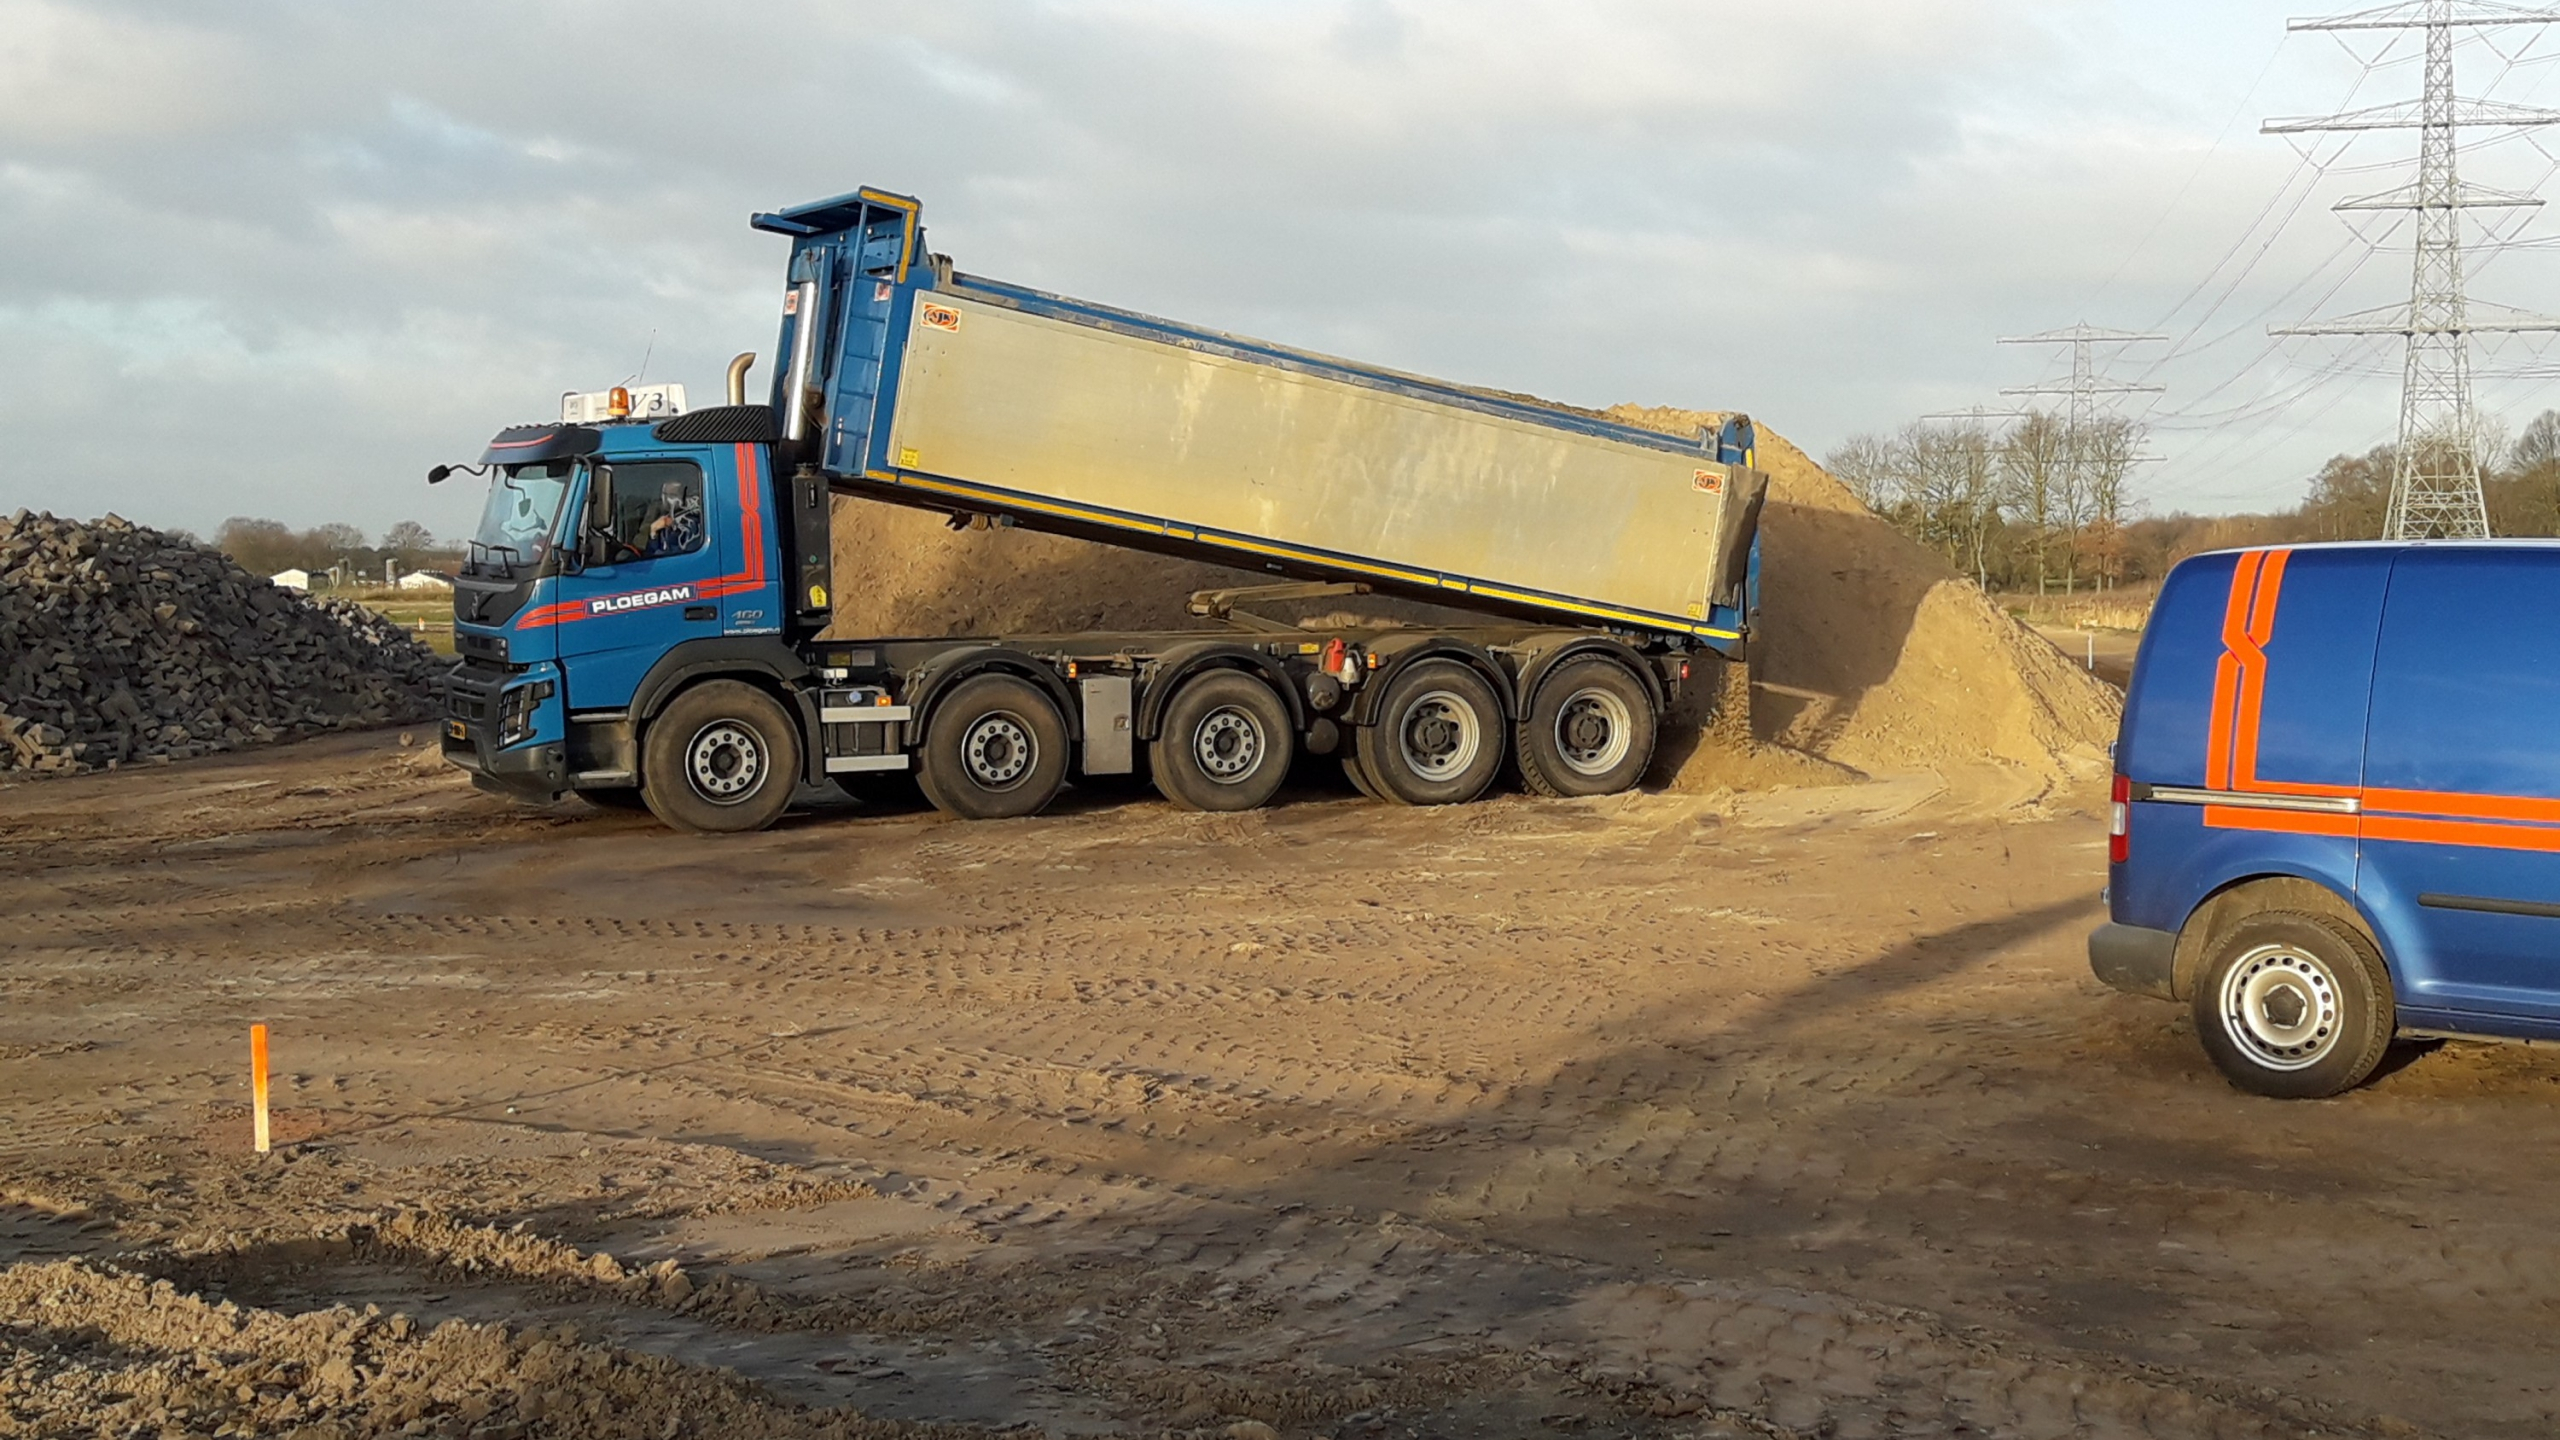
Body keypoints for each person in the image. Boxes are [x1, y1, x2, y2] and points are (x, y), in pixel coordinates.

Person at [641, 476, 702, 557]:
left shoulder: (690, 522)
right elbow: (649, 554)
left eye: (672, 495)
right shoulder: (659, 516)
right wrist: (653, 532)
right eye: (664, 493)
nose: (666, 498)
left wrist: (673, 528)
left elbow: (677, 554)